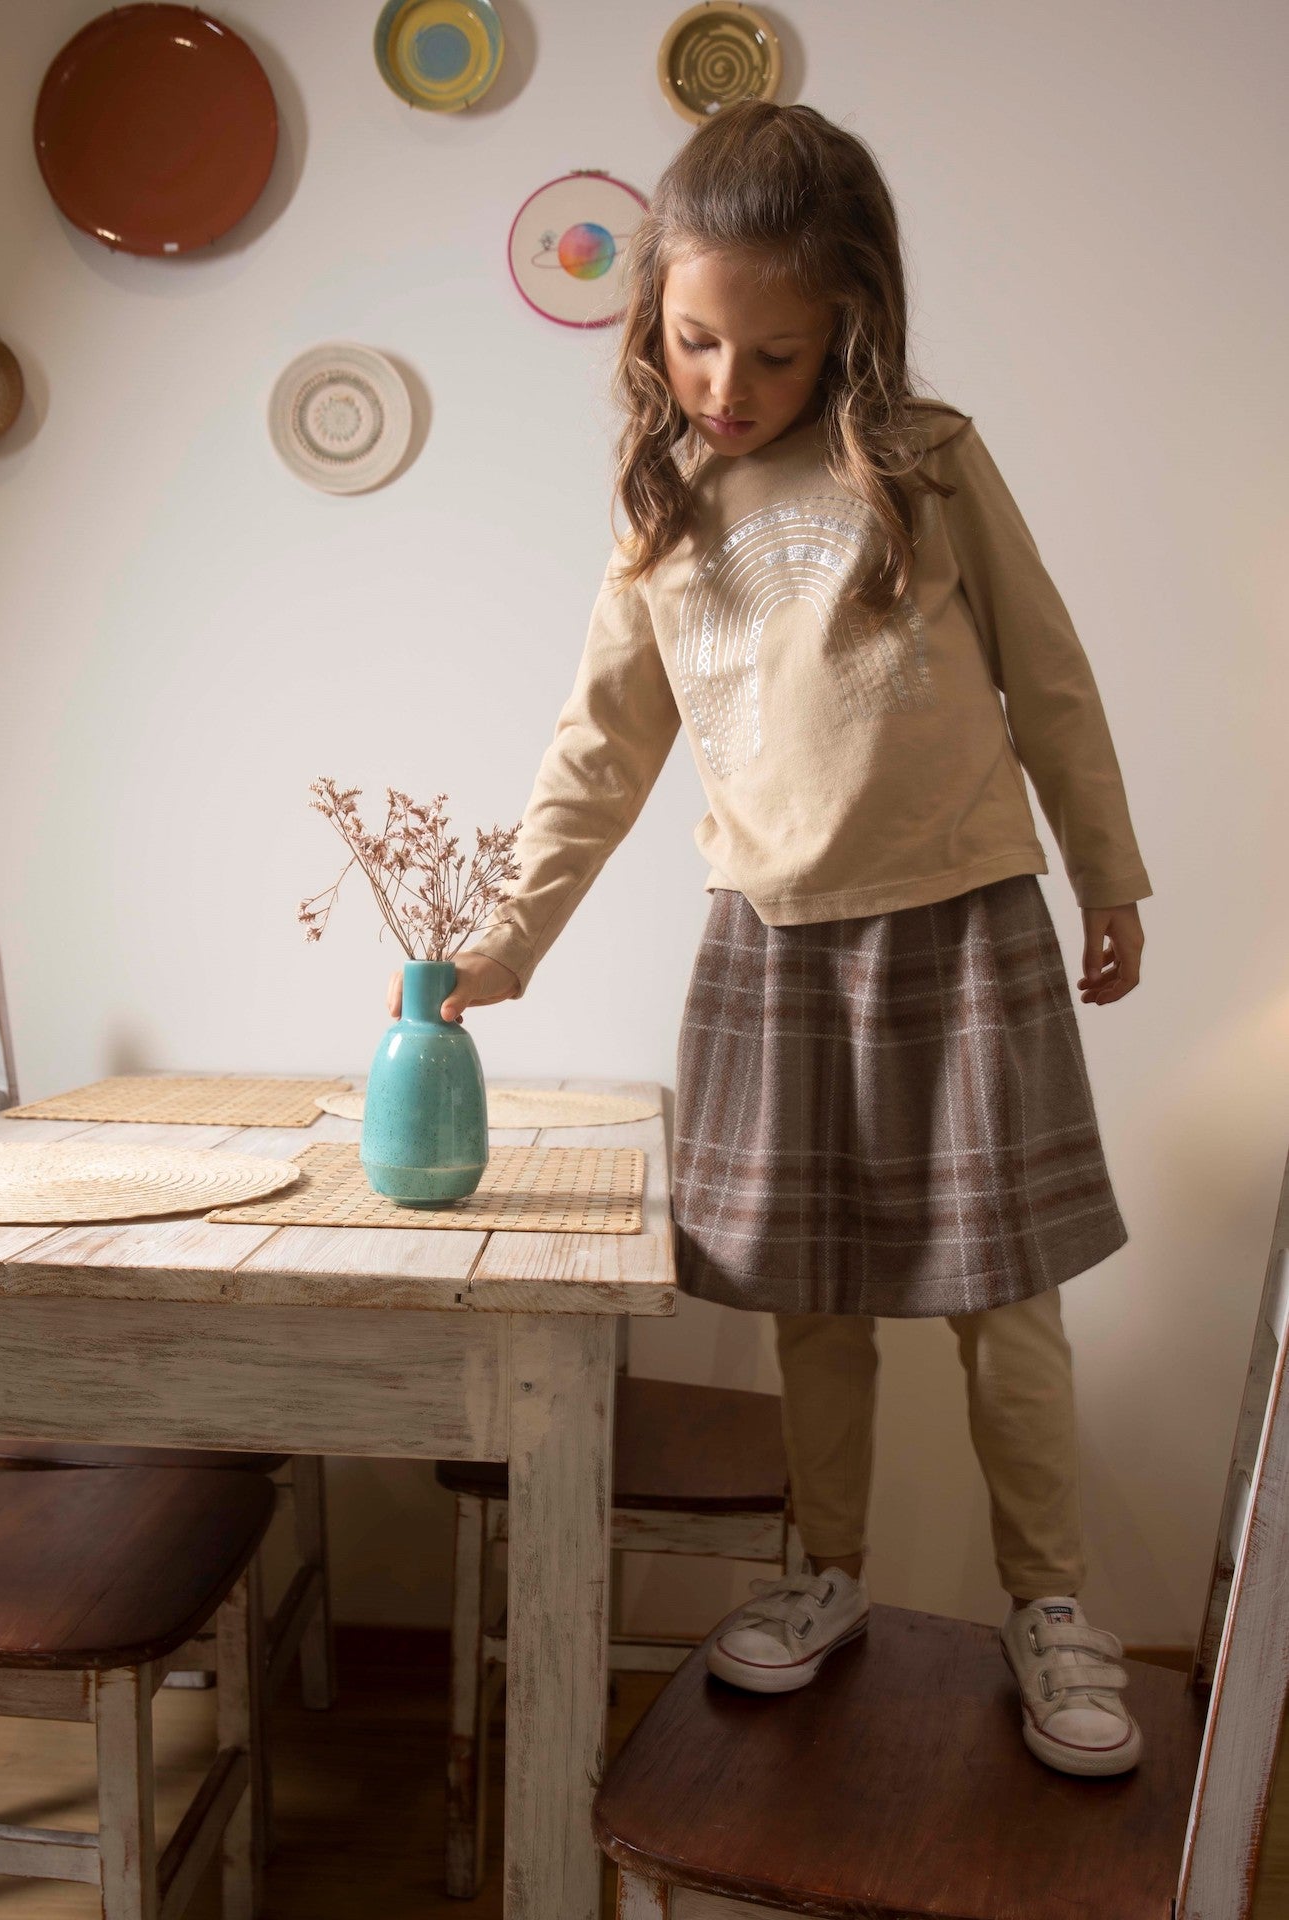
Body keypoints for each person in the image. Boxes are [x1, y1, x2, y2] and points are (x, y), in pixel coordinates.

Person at [387, 101, 1151, 1780]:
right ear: (653, 317)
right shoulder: (660, 509)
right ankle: (826, 1575)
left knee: (1001, 1300)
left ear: (848, 328)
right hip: (772, 944)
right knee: (811, 1301)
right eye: (695, 341)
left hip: (959, 927)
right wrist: (507, 938)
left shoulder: (929, 460)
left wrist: (1109, 875)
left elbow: (1052, 675)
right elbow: (600, 746)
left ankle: (1054, 1607)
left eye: (775, 354)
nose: (728, 384)